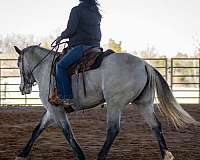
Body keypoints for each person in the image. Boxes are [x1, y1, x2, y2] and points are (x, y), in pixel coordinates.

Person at [53, 0, 102, 107]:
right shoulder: (96, 13)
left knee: (60, 66)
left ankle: (67, 97)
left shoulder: (77, 10)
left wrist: (61, 37)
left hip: (82, 46)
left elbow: (71, 29)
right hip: (96, 47)